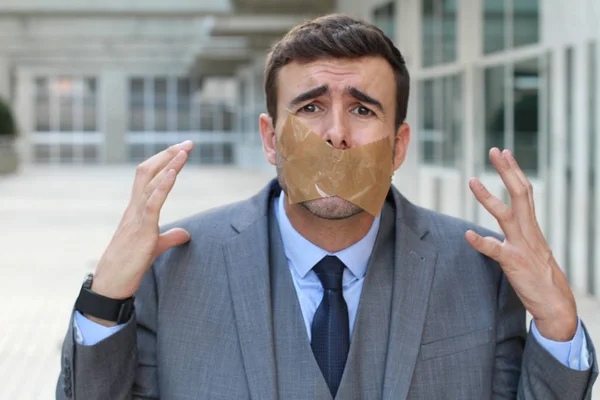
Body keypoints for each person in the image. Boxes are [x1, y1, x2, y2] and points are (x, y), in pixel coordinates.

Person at [56, 14, 597, 400]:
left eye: (362, 109)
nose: (336, 134)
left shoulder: (480, 270)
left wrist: (556, 322)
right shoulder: (171, 266)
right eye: (310, 107)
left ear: (399, 145)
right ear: (270, 138)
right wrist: (105, 300)